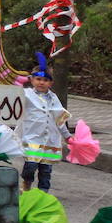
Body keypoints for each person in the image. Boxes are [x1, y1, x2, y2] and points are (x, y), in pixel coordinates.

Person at [16, 55, 69, 192]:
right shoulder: (26, 95)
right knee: (31, 165)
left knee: (46, 170)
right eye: (38, 79)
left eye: (45, 80)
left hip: (49, 141)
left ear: (50, 83)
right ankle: (26, 185)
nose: (41, 82)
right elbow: (12, 104)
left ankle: (42, 193)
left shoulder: (53, 98)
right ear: (32, 80)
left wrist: (67, 136)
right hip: (32, 137)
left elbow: (59, 117)